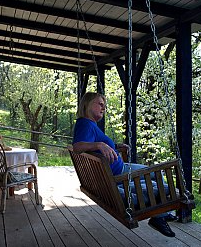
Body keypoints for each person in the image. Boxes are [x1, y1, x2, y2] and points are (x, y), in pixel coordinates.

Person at [72, 92, 177, 237]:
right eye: (100, 104)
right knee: (157, 174)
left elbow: (91, 144)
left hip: (117, 171)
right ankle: (159, 217)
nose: (104, 108)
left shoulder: (88, 124)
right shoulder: (85, 124)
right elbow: (78, 147)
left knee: (152, 174)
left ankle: (161, 214)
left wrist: (113, 145)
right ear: (87, 104)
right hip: (119, 174)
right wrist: (100, 144)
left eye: (105, 106)